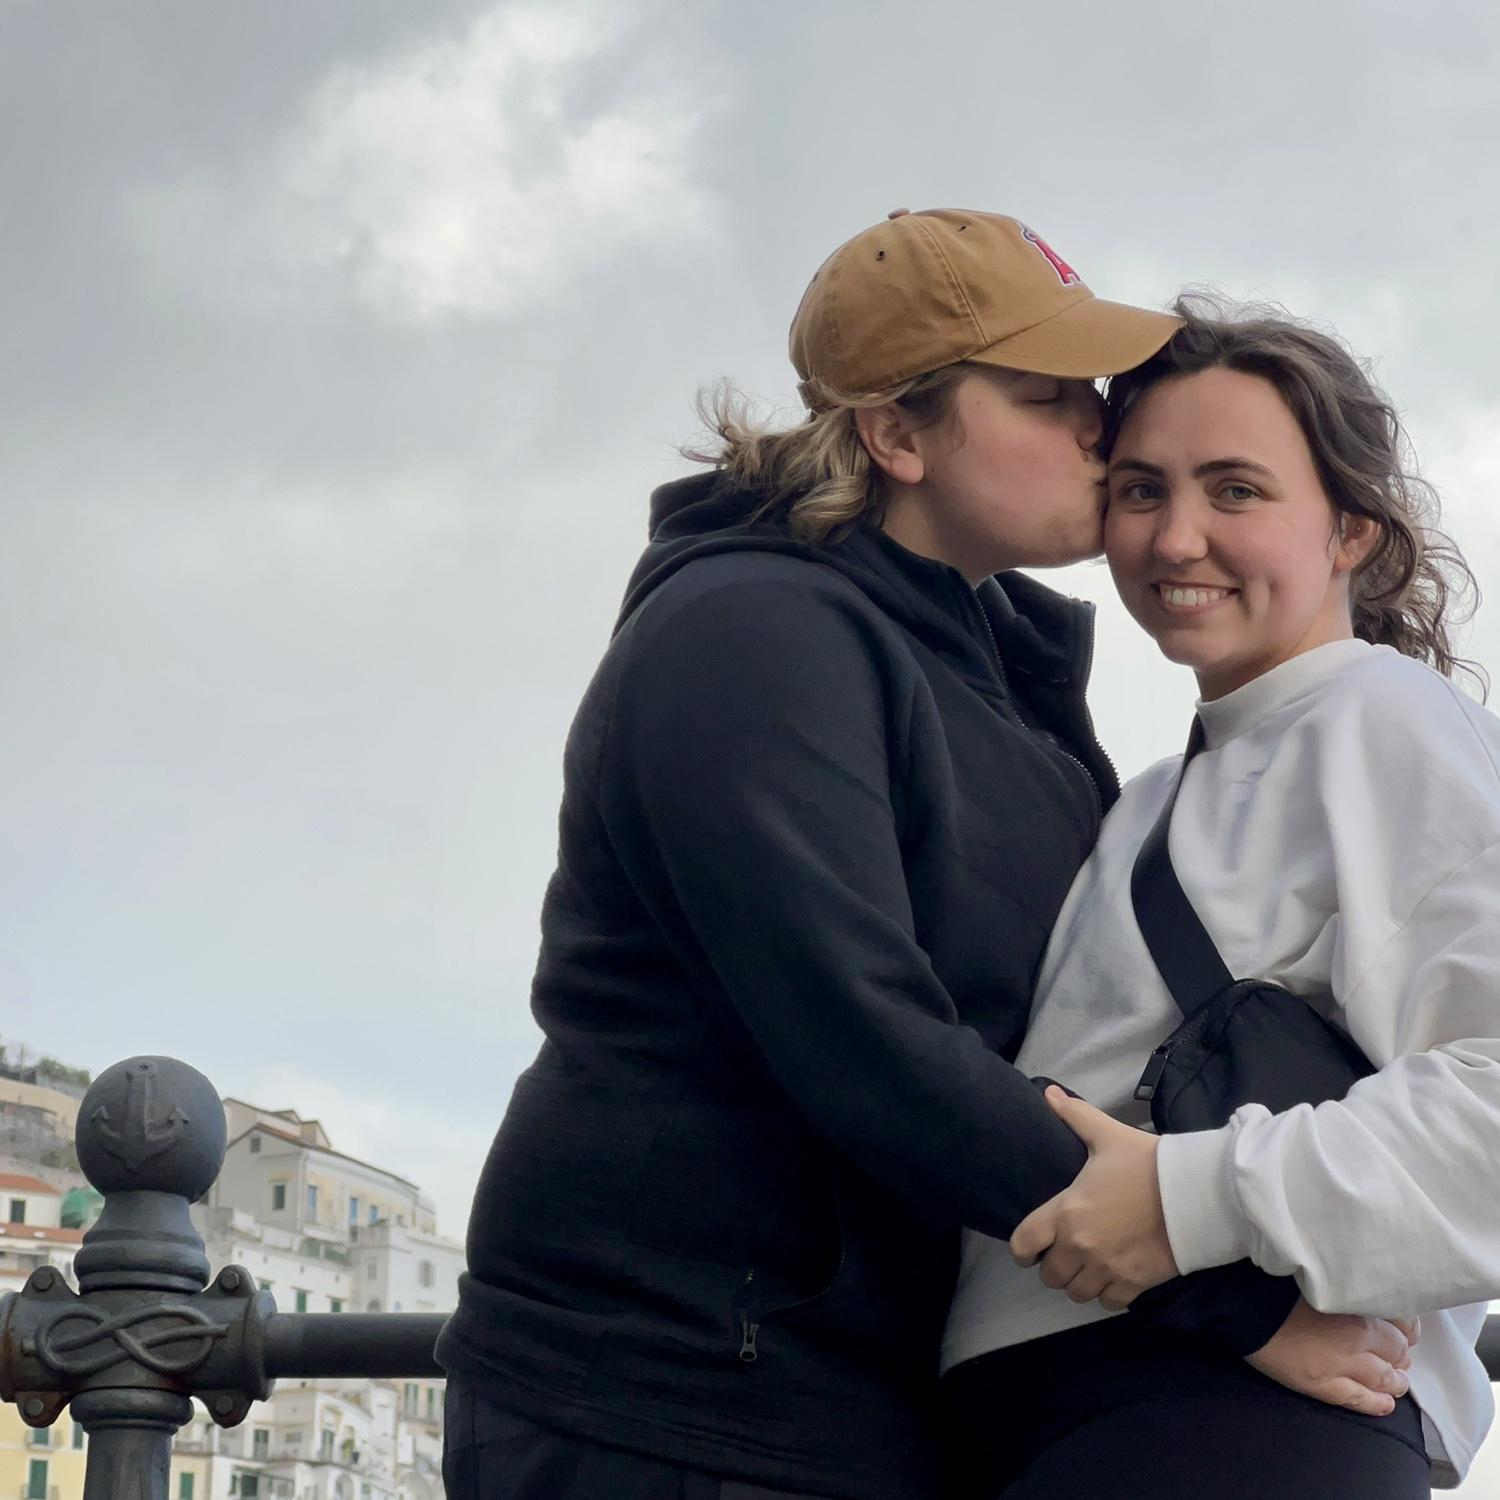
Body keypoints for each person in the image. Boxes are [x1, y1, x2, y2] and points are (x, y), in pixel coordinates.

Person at [436, 217, 1417, 1500]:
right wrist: (1234, 1303)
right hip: (670, 1393)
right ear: (898, 436)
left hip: (865, 1397)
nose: (1097, 429)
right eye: (1043, 396)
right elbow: (858, 1032)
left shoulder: (1000, 673)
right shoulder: (749, 631)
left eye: (1090, 393)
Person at [944, 298, 1494, 1497]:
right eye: (1141, 490)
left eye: (1235, 491)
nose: (1177, 537)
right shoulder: (1146, 797)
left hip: (1228, 1420)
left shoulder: (1387, 723)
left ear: (1352, 529)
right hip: (1071, 1411)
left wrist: (1193, 1195)